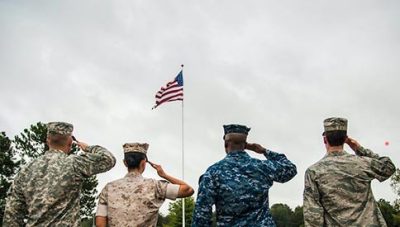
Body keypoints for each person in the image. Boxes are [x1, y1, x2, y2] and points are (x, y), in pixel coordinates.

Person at [3, 122, 116, 226]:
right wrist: (89, 148)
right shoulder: (74, 163)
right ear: (70, 142)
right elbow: (108, 159)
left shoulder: (25, 170)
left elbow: (12, 213)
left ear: (48, 141)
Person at [192, 124, 297, 226]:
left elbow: (201, 215)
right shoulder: (262, 167)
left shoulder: (213, 173)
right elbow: (290, 168)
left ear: (225, 144)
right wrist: (264, 151)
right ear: (245, 145)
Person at [303, 117, 396, 226]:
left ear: (325, 139)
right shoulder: (362, 163)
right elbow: (388, 167)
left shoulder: (314, 172)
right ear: (345, 139)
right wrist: (359, 149)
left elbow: (313, 216)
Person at [95, 142, 194, 227]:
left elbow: (100, 224)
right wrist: (164, 175)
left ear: (125, 163)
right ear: (143, 163)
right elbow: (188, 190)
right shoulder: (156, 186)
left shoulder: (109, 188)